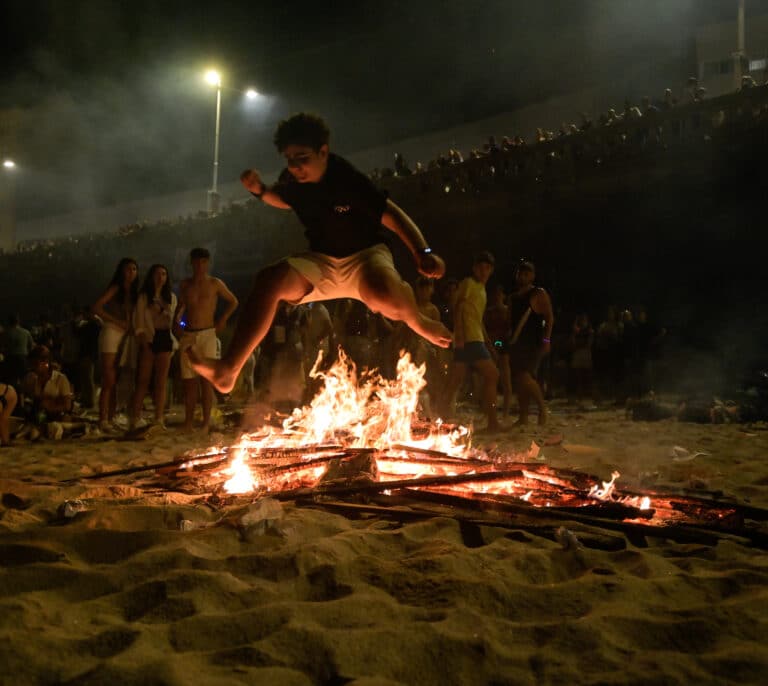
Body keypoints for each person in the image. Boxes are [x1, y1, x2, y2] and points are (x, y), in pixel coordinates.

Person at [189, 113, 451, 393]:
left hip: (365, 257)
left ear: (323, 152)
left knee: (383, 292)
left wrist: (422, 251)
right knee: (269, 280)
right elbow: (283, 199)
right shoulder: (292, 181)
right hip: (323, 262)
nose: (295, 167)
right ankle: (228, 370)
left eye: (302, 158)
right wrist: (260, 191)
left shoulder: (346, 178)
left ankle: (419, 322)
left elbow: (391, 214)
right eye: (289, 159)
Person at [175, 248, 238, 432]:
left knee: (207, 380)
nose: (200, 266)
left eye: (203, 262)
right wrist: (176, 322)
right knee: (189, 381)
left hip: (208, 333)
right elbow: (181, 306)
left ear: (208, 263)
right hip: (189, 333)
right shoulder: (185, 285)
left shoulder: (215, 283)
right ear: (192, 263)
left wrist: (223, 319)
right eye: (196, 262)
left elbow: (234, 301)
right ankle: (188, 422)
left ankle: (205, 422)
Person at [440, 251, 501, 433]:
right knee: (493, 375)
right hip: (469, 339)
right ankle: (492, 423)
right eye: (480, 267)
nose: (484, 271)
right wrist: (459, 335)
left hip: (475, 338)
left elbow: (478, 318)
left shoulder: (481, 289)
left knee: (455, 380)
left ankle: (440, 416)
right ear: (474, 268)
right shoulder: (469, 283)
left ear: (491, 270)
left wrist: (488, 342)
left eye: (487, 268)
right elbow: (459, 307)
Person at [93, 258, 139, 433]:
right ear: (121, 271)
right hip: (112, 331)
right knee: (109, 378)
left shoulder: (135, 292)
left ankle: (110, 417)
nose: (132, 273)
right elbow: (97, 307)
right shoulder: (116, 289)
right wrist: (117, 321)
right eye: (128, 269)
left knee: (119, 379)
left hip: (127, 335)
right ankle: (103, 418)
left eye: (134, 269)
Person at [129, 264, 177, 430]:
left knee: (161, 381)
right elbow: (139, 321)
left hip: (164, 337)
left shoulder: (170, 297)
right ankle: (135, 417)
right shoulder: (144, 297)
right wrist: (142, 339)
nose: (160, 277)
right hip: (150, 337)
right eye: (157, 274)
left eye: (164, 274)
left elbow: (173, 320)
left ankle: (158, 417)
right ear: (151, 276)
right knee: (143, 379)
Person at [507, 261, 553, 425]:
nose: (523, 276)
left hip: (533, 342)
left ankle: (542, 409)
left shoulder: (538, 293)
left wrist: (546, 340)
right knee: (519, 382)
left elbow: (549, 317)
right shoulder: (514, 297)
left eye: (527, 273)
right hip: (517, 343)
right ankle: (523, 416)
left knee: (525, 377)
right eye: (521, 273)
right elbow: (510, 322)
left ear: (532, 275)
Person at [20, 345, 75, 440]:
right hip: (38, 416)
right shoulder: (32, 378)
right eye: (32, 365)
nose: (33, 368)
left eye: (36, 364)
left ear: (46, 363)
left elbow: (67, 406)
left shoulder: (60, 379)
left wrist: (51, 407)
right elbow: (23, 394)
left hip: (56, 415)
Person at [484, 282, 513, 416]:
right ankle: (490, 410)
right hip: (491, 346)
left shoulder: (507, 311)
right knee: (491, 379)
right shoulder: (489, 312)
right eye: (495, 294)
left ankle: (506, 412)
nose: (497, 297)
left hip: (504, 347)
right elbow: (486, 329)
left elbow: (509, 330)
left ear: (503, 296)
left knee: (506, 380)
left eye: (499, 294)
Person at [2, 314, 35, 386]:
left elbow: (2, 347)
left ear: (9, 322)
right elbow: (31, 346)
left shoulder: (6, 333)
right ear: (18, 321)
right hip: (22, 358)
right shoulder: (26, 332)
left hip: (10, 359)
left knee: (10, 380)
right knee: (23, 379)